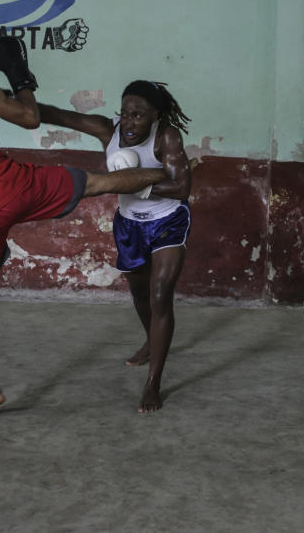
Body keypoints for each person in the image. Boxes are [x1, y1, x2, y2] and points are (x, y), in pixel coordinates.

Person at [0, 26, 169, 417]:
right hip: (13, 188)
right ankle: (173, 174)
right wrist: (20, 79)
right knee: (97, 182)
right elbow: (29, 118)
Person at [37, 80, 192, 413]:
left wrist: (137, 181)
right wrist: (2, 101)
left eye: (138, 115)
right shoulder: (109, 131)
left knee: (161, 293)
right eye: (125, 113)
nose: (130, 122)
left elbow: (181, 188)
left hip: (167, 221)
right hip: (129, 223)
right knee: (138, 293)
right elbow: (57, 115)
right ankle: (152, 340)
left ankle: (153, 384)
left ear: (156, 115)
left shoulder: (166, 136)